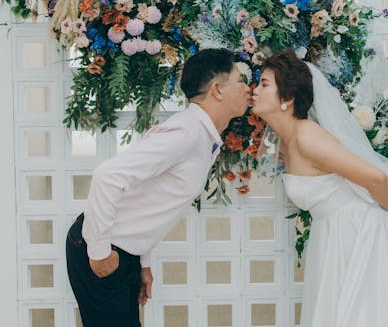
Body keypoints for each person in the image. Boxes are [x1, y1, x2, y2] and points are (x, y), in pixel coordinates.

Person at [251, 49, 388, 326]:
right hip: (335, 236)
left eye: (263, 84)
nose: (255, 90)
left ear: (287, 98)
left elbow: (376, 178)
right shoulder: (289, 139)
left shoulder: (307, 136)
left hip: (363, 237)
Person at [66, 48, 251, 327]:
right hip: (100, 248)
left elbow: (146, 198)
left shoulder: (203, 136)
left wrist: (143, 261)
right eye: (240, 81)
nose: (247, 88)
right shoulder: (187, 133)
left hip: (123, 253)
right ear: (218, 90)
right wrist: (100, 253)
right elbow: (107, 176)